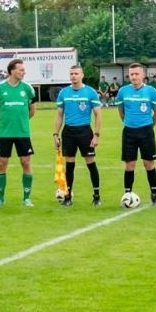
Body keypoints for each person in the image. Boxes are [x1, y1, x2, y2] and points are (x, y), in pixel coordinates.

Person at [53, 64, 103, 206]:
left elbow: (98, 114)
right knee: (69, 165)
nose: (73, 76)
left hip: (85, 132)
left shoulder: (90, 92)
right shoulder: (64, 93)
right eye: (71, 74)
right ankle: (68, 197)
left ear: (82, 75)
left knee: (91, 163)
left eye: (76, 73)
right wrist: (55, 134)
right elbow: (59, 115)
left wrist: (96, 134)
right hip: (68, 132)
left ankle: (96, 196)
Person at [0, 57, 38, 207]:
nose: (24, 72)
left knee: (25, 162)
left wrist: (21, 121)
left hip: (23, 133)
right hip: (5, 133)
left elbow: (32, 111)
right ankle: (0, 199)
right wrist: (6, 121)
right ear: (12, 71)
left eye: (24, 70)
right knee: (2, 163)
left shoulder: (27, 88)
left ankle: (26, 198)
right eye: (21, 69)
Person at [117, 62, 156, 204]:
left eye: (137, 74)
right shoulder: (123, 91)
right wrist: (129, 122)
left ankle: (154, 194)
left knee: (148, 163)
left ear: (143, 75)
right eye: (131, 74)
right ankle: (127, 194)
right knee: (129, 164)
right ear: (128, 76)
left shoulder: (151, 91)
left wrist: (149, 125)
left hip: (146, 131)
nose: (134, 77)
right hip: (129, 132)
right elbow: (121, 111)